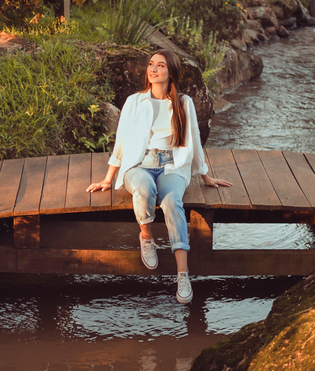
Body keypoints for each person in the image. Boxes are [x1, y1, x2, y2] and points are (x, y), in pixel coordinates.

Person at [86, 50, 230, 304]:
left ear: (171, 72)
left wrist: (205, 175)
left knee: (173, 201)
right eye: (150, 64)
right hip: (138, 165)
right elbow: (121, 142)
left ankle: (182, 274)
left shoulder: (184, 103)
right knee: (144, 189)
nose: (153, 69)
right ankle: (147, 237)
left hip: (171, 166)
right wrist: (108, 178)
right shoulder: (134, 101)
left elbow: (194, 140)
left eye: (160, 65)